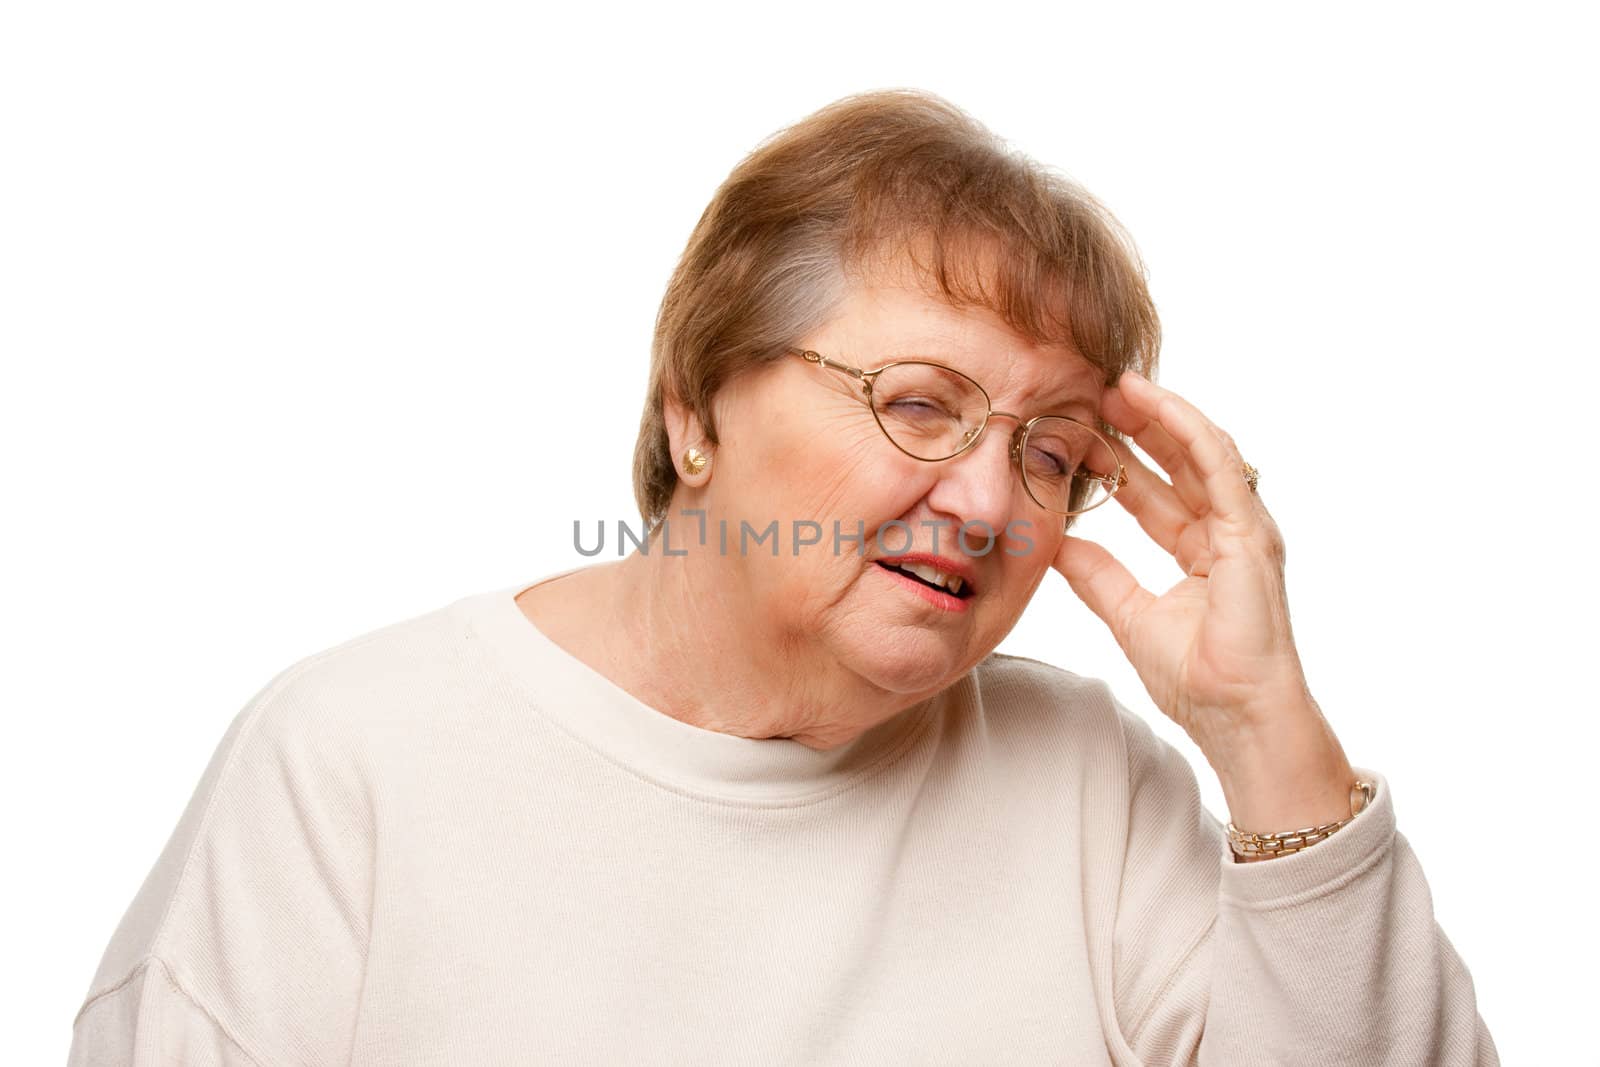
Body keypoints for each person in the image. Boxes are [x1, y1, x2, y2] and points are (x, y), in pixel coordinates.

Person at [67, 89, 1498, 1065]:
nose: (990, 498)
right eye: (922, 405)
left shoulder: (1089, 783)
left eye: (1052, 451)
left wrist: (1265, 735)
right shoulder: (351, 763)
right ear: (695, 408)